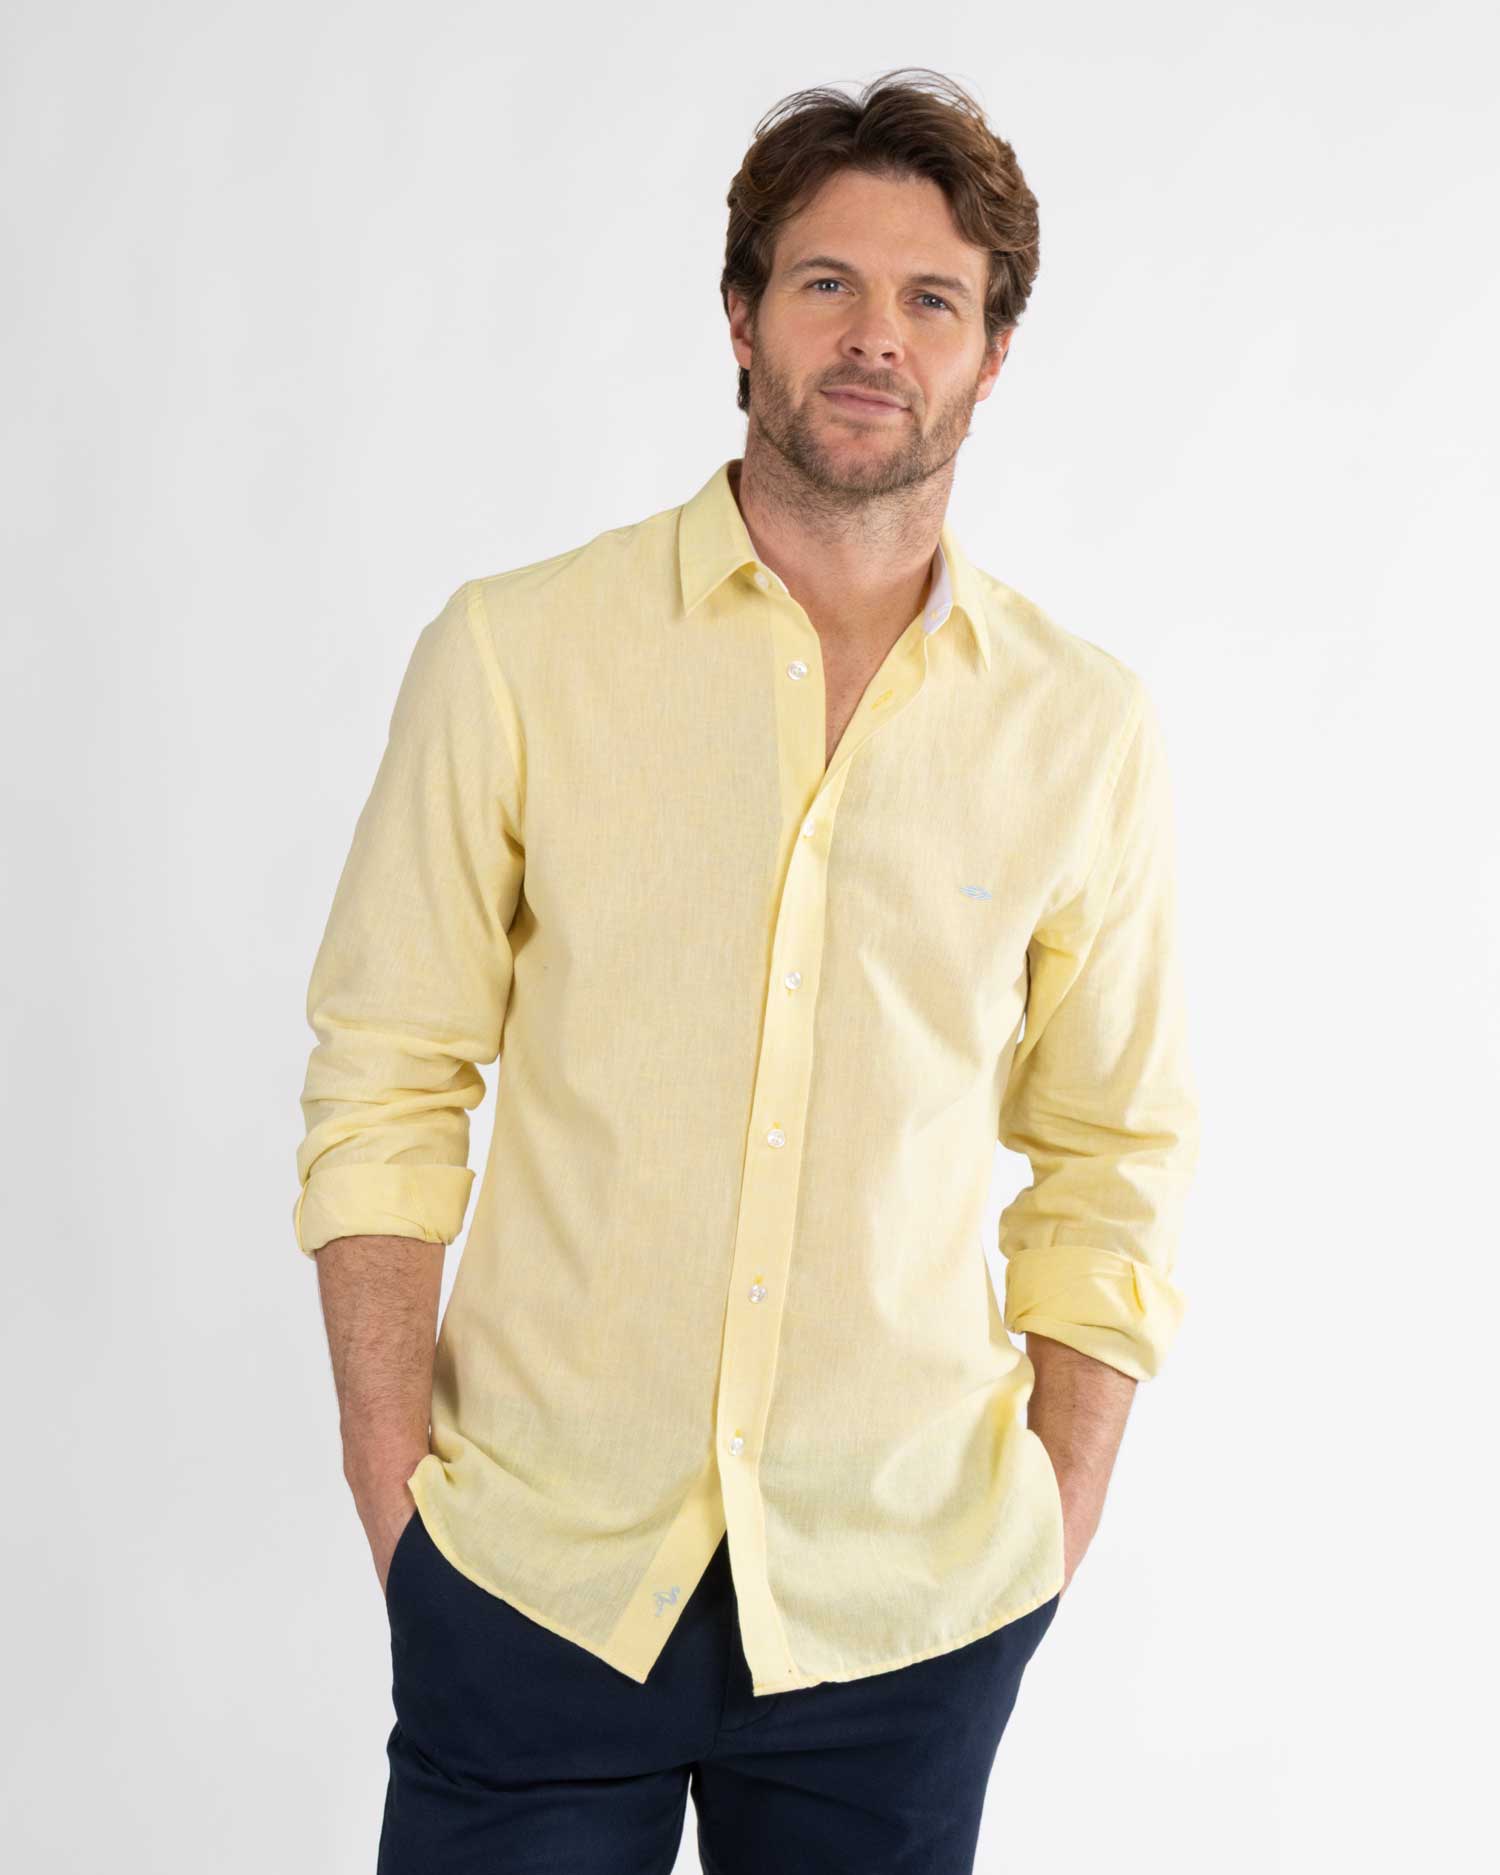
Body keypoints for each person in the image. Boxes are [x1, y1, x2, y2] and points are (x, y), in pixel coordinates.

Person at [292, 65, 1200, 1875]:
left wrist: (1056, 1514)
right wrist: (397, 1496)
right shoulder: (517, 654)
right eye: (826, 284)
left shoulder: (1081, 729)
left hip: (907, 1610)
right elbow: (388, 1074)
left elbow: (1114, 1151)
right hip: (535, 1580)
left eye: (932, 298)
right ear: (740, 314)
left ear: (991, 356)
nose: (876, 337)